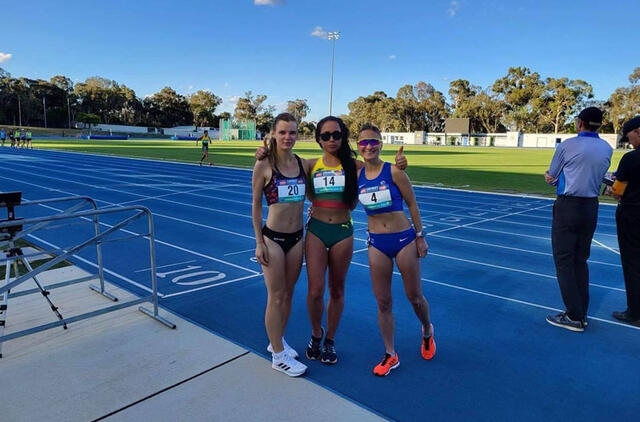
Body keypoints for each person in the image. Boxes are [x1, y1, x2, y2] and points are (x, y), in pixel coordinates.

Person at [256, 117, 407, 365]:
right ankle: (316, 334)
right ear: (318, 139)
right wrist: (263, 151)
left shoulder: (355, 166)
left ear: (342, 136)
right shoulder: (308, 165)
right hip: (316, 231)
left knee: (337, 290)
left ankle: (330, 340)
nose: (331, 140)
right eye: (325, 136)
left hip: (343, 232)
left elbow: (380, 168)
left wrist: (401, 163)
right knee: (315, 291)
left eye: (336, 135)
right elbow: (282, 162)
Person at [356, 124, 435, 376]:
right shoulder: (356, 173)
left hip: (403, 239)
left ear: (381, 144)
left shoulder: (394, 171)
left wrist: (420, 236)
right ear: (357, 147)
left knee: (414, 297)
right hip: (376, 243)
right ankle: (391, 354)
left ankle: (427, 329)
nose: (369, 146)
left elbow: (412, 204)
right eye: (364, 142)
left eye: (373, 141)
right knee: (383, 302)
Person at [544, 107, 613, 332]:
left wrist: (550, 177)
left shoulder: (567, 145)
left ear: (580, 122)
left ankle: (574, 316)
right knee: (580, 260)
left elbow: (552, 176)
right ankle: (581, 312)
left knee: (564, 261)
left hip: (568, 206)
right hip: (591, 207)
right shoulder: (607, 147)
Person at [252, 112, 309, 377]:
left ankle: (277, 340)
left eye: (292, 132)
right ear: (273, 134)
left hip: (297, 238)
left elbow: (335, 164)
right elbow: (255, 205)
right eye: (283, 132)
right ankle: (278, 356)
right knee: (275, 295)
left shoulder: (302, 164)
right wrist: (259, 242)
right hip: (272, 239)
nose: (288, 137)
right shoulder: (263, 165)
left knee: (288, 293)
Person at [606, 116, 640, 327]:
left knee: (632, 263)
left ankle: (635, 312)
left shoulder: (631, 159)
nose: (630, 143)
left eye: (629, 138)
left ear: (638, 131)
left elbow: (617, 190)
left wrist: (610, 189)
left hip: (632, 215)